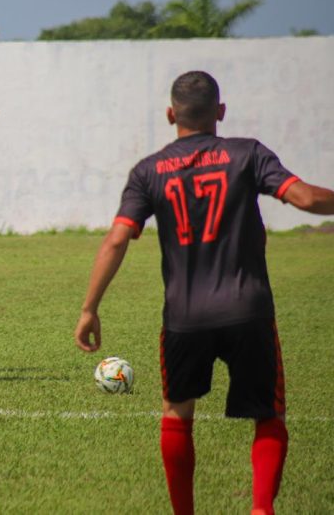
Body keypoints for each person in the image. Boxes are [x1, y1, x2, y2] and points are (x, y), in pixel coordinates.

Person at [74, 71, 334, 515]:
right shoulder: (247, 153)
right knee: (268, 416)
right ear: (221, 112)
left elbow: (117, 239)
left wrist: (89, 308)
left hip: (184, 316)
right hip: (248, 310)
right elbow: (307, 199)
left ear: (171, 114)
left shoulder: (148, 170)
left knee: (178, 413)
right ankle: (260, 509)